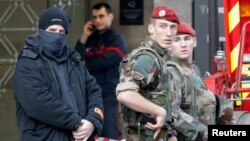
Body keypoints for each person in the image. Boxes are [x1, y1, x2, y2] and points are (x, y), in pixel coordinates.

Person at [12, 6, 104, 141]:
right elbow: (39, 103)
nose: (57, 35)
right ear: (41, 31)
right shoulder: (27, 63)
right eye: (52, 30)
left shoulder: (74, 61)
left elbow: (94, 91)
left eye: (61, 32)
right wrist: (76, 122)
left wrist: (92, 122)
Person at [116, 5, 180, 141]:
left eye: (172, 27)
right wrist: (159, 111)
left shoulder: (160, 58)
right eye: (163, 26)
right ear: (151, 28)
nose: (169, 33)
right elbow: (125, 94)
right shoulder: (147, 58)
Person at [167, 22, 234, 140]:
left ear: (195, 42)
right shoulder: (172, 72)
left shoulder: (193, 70)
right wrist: (205, 133)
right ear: (170, 45)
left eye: (187, 39)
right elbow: (173, 114)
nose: (183, 44)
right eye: (176, 40)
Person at [74, 2, 127, 140]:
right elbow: (75, 58)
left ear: (110, 17)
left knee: (109, 134)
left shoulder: (117, 39)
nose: (97, 20)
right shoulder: (90, 39)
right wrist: (84, 35)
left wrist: (85, 64)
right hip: (88, 96)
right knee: (89, 135)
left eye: (101, 16)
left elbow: (106, 61)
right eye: (94, 17)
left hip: (108, 96)